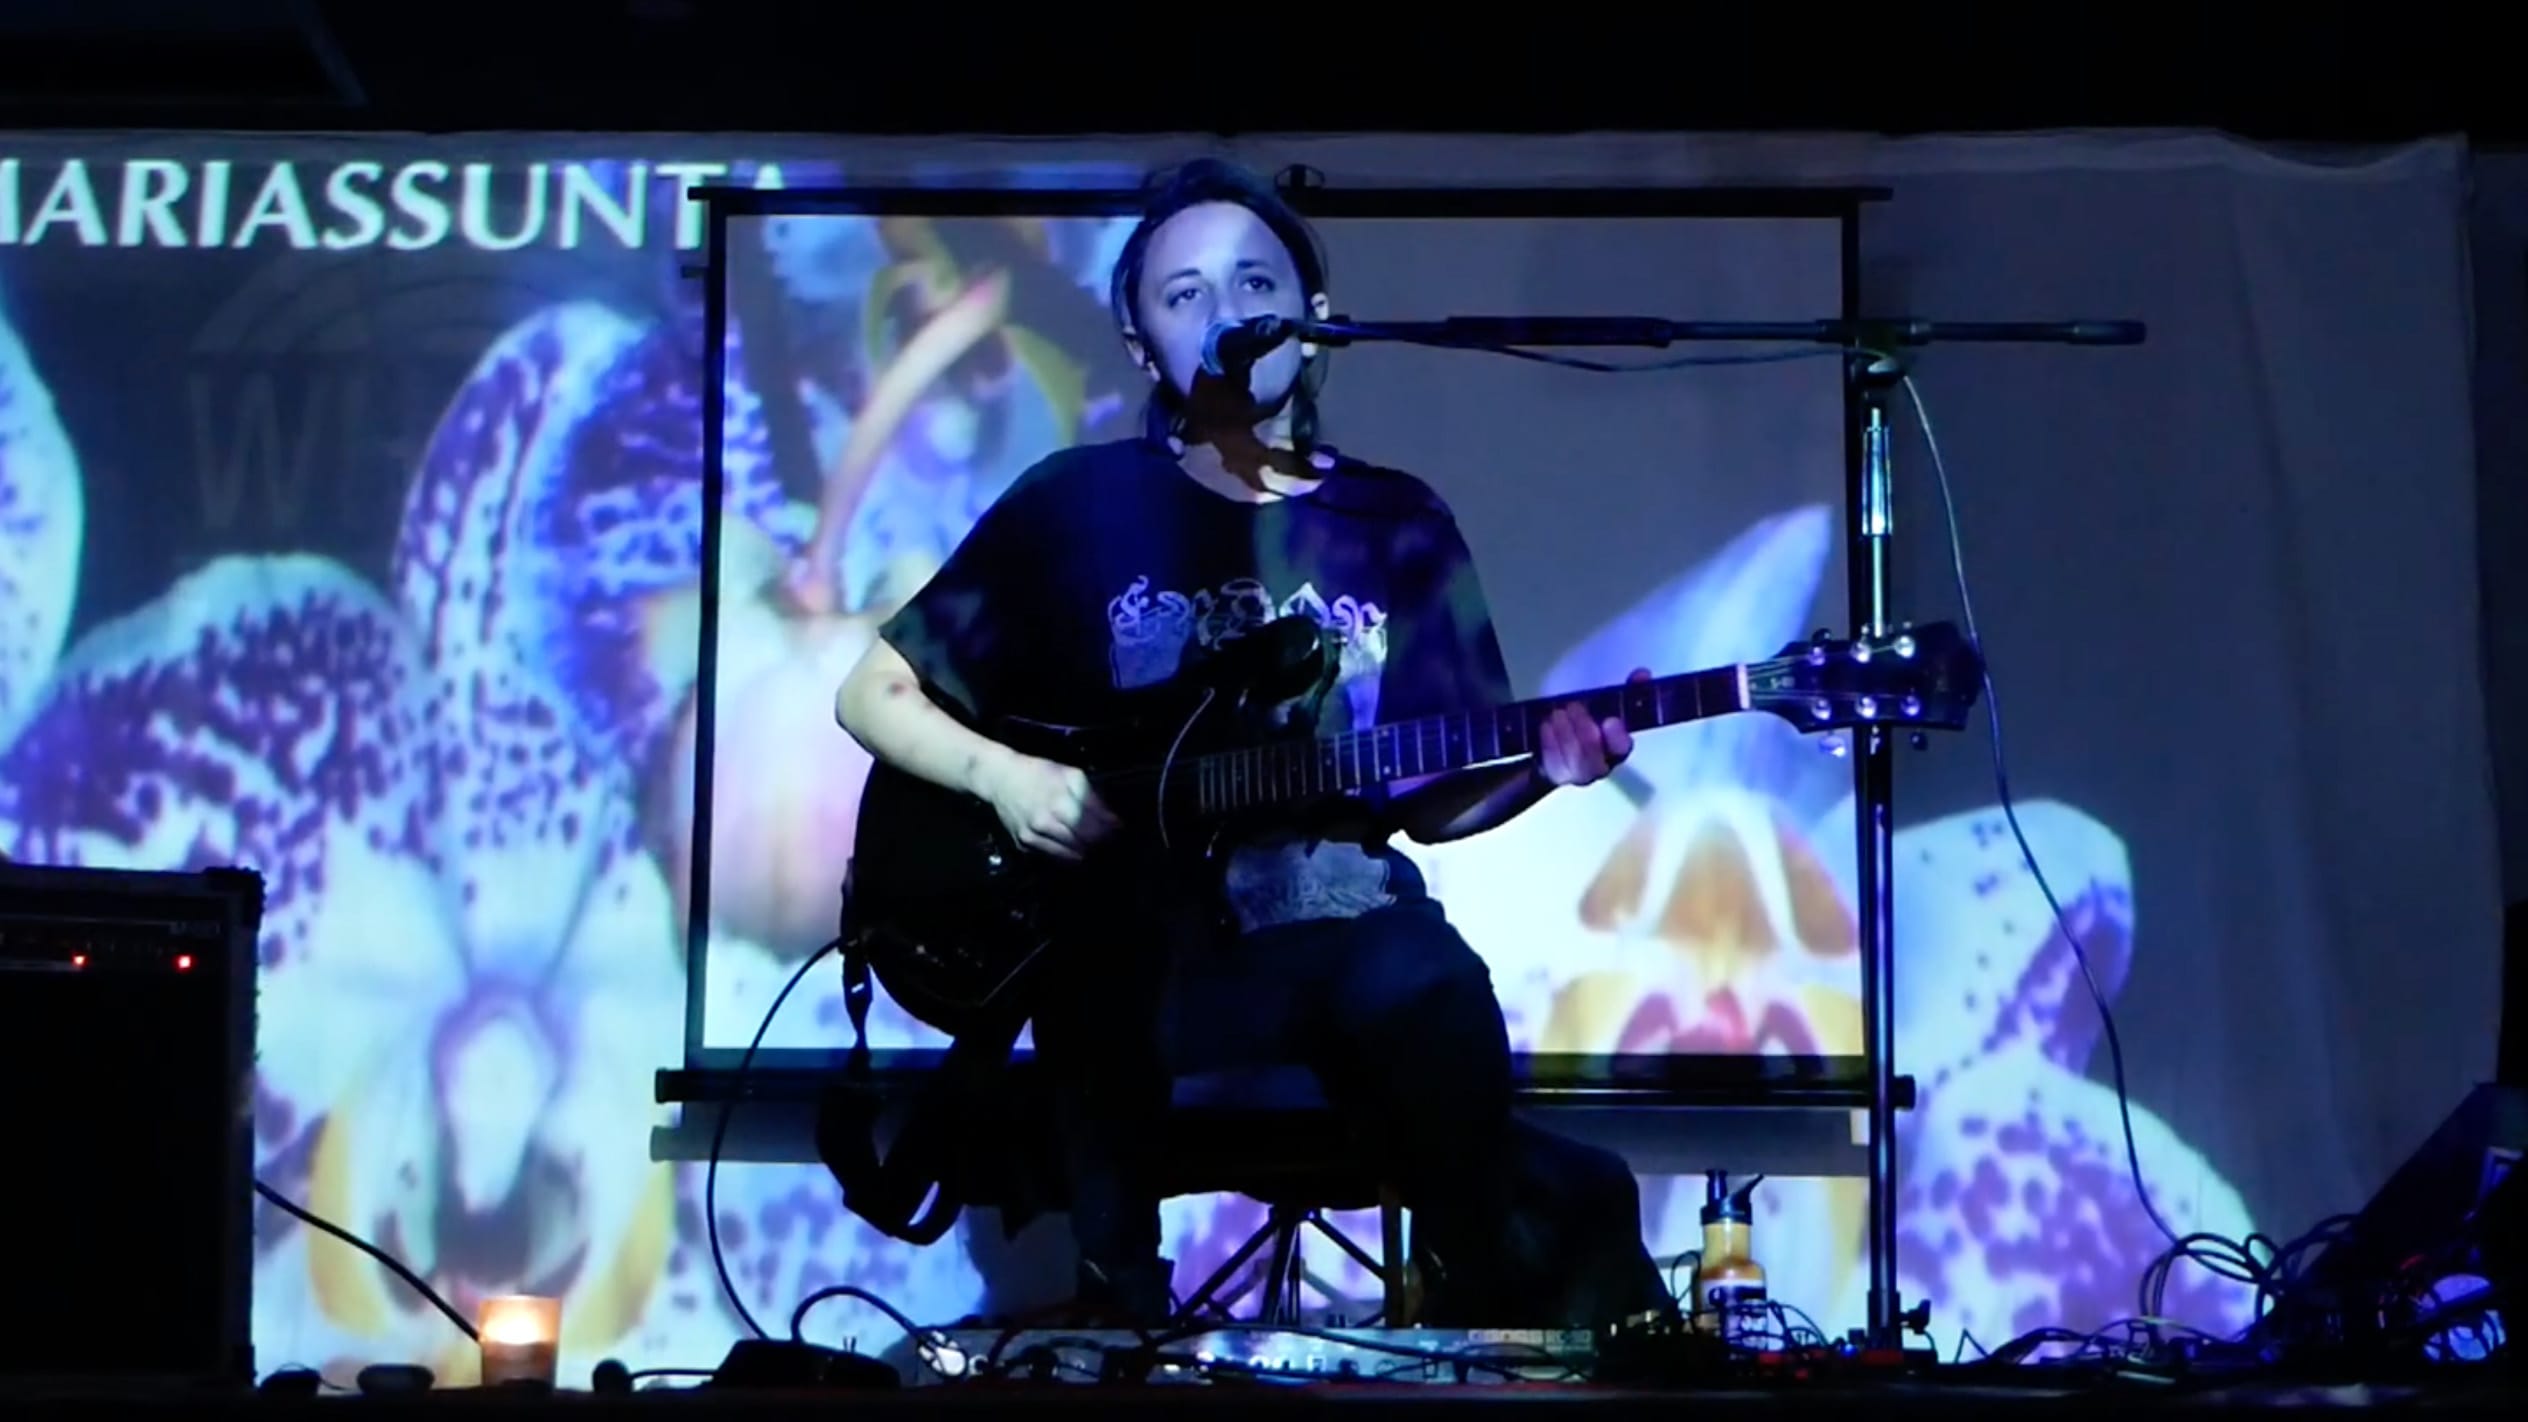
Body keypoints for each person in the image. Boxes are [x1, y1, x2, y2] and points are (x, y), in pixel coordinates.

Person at [834, 157, 1665, 1325]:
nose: (1226, 314)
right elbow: (870, 693)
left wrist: (1544, 765)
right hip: (1135, 952)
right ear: (1140, 346)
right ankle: (1122, 1317)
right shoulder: (1074, 503)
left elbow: (1428, 801)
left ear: (1313, 318)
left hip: (1343, 941)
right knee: (1103, 977)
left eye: (1254, 284)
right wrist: (1009, 779)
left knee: (1422, 982)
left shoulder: (1396, 522)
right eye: (1185, 296)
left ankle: (1485, 1308)